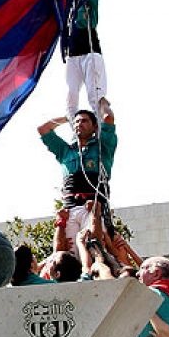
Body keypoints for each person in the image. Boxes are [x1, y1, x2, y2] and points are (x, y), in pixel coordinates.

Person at [37, 101, 116, 256]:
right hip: (70, 208)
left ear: (94, 127)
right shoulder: (65, 151)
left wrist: (102, 103)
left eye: (84, 121)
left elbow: (108, 119)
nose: (79, 124)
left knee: (94, 248)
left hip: (92, 207)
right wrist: (67, 117)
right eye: (77, 121)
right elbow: (43, 129)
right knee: (65, 254)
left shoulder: (102, 147)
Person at [63, 0, 108, 119]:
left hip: (90, 53)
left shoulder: (89, 0)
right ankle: (76, 132)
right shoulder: (68, 8)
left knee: (94, 93)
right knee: (71, 94)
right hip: (73, 55)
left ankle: (102, 128)